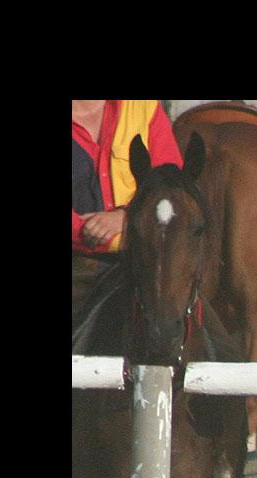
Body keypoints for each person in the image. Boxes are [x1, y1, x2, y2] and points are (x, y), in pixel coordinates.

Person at [72, 100, 183, 322]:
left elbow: (171, 183)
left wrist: (126, 219)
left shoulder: (143, 107)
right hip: (80, 261)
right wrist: (89, 232)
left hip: (147, 256)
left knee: (212, 339)